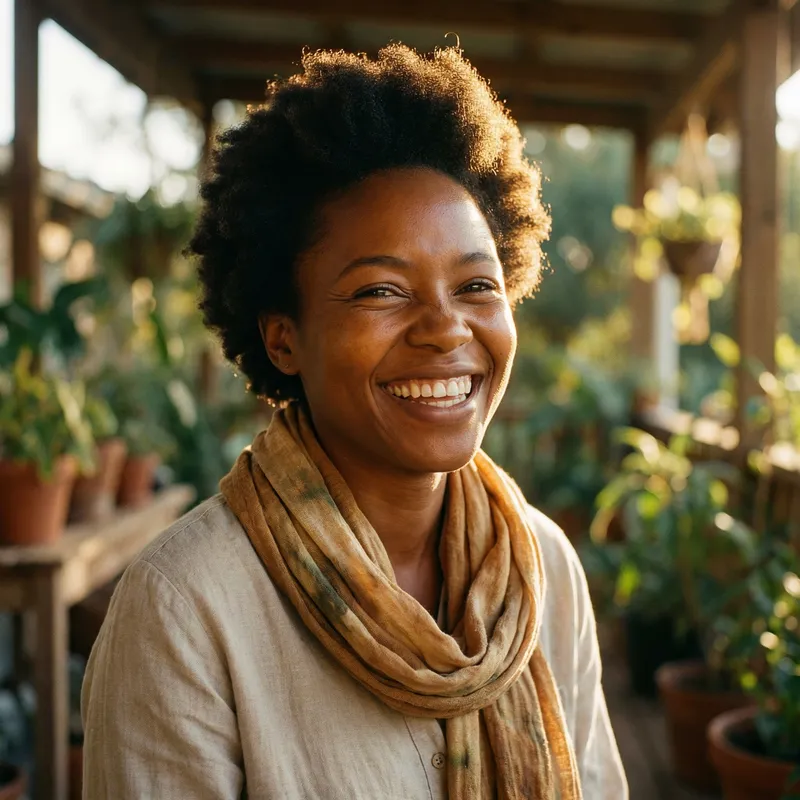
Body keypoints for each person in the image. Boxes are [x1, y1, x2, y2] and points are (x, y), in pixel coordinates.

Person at [82, 45, 627, 799]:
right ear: (284, 337)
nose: (445, 329)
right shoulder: (187, 608)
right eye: (381, 291)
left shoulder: (539, 570)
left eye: (476, 284)